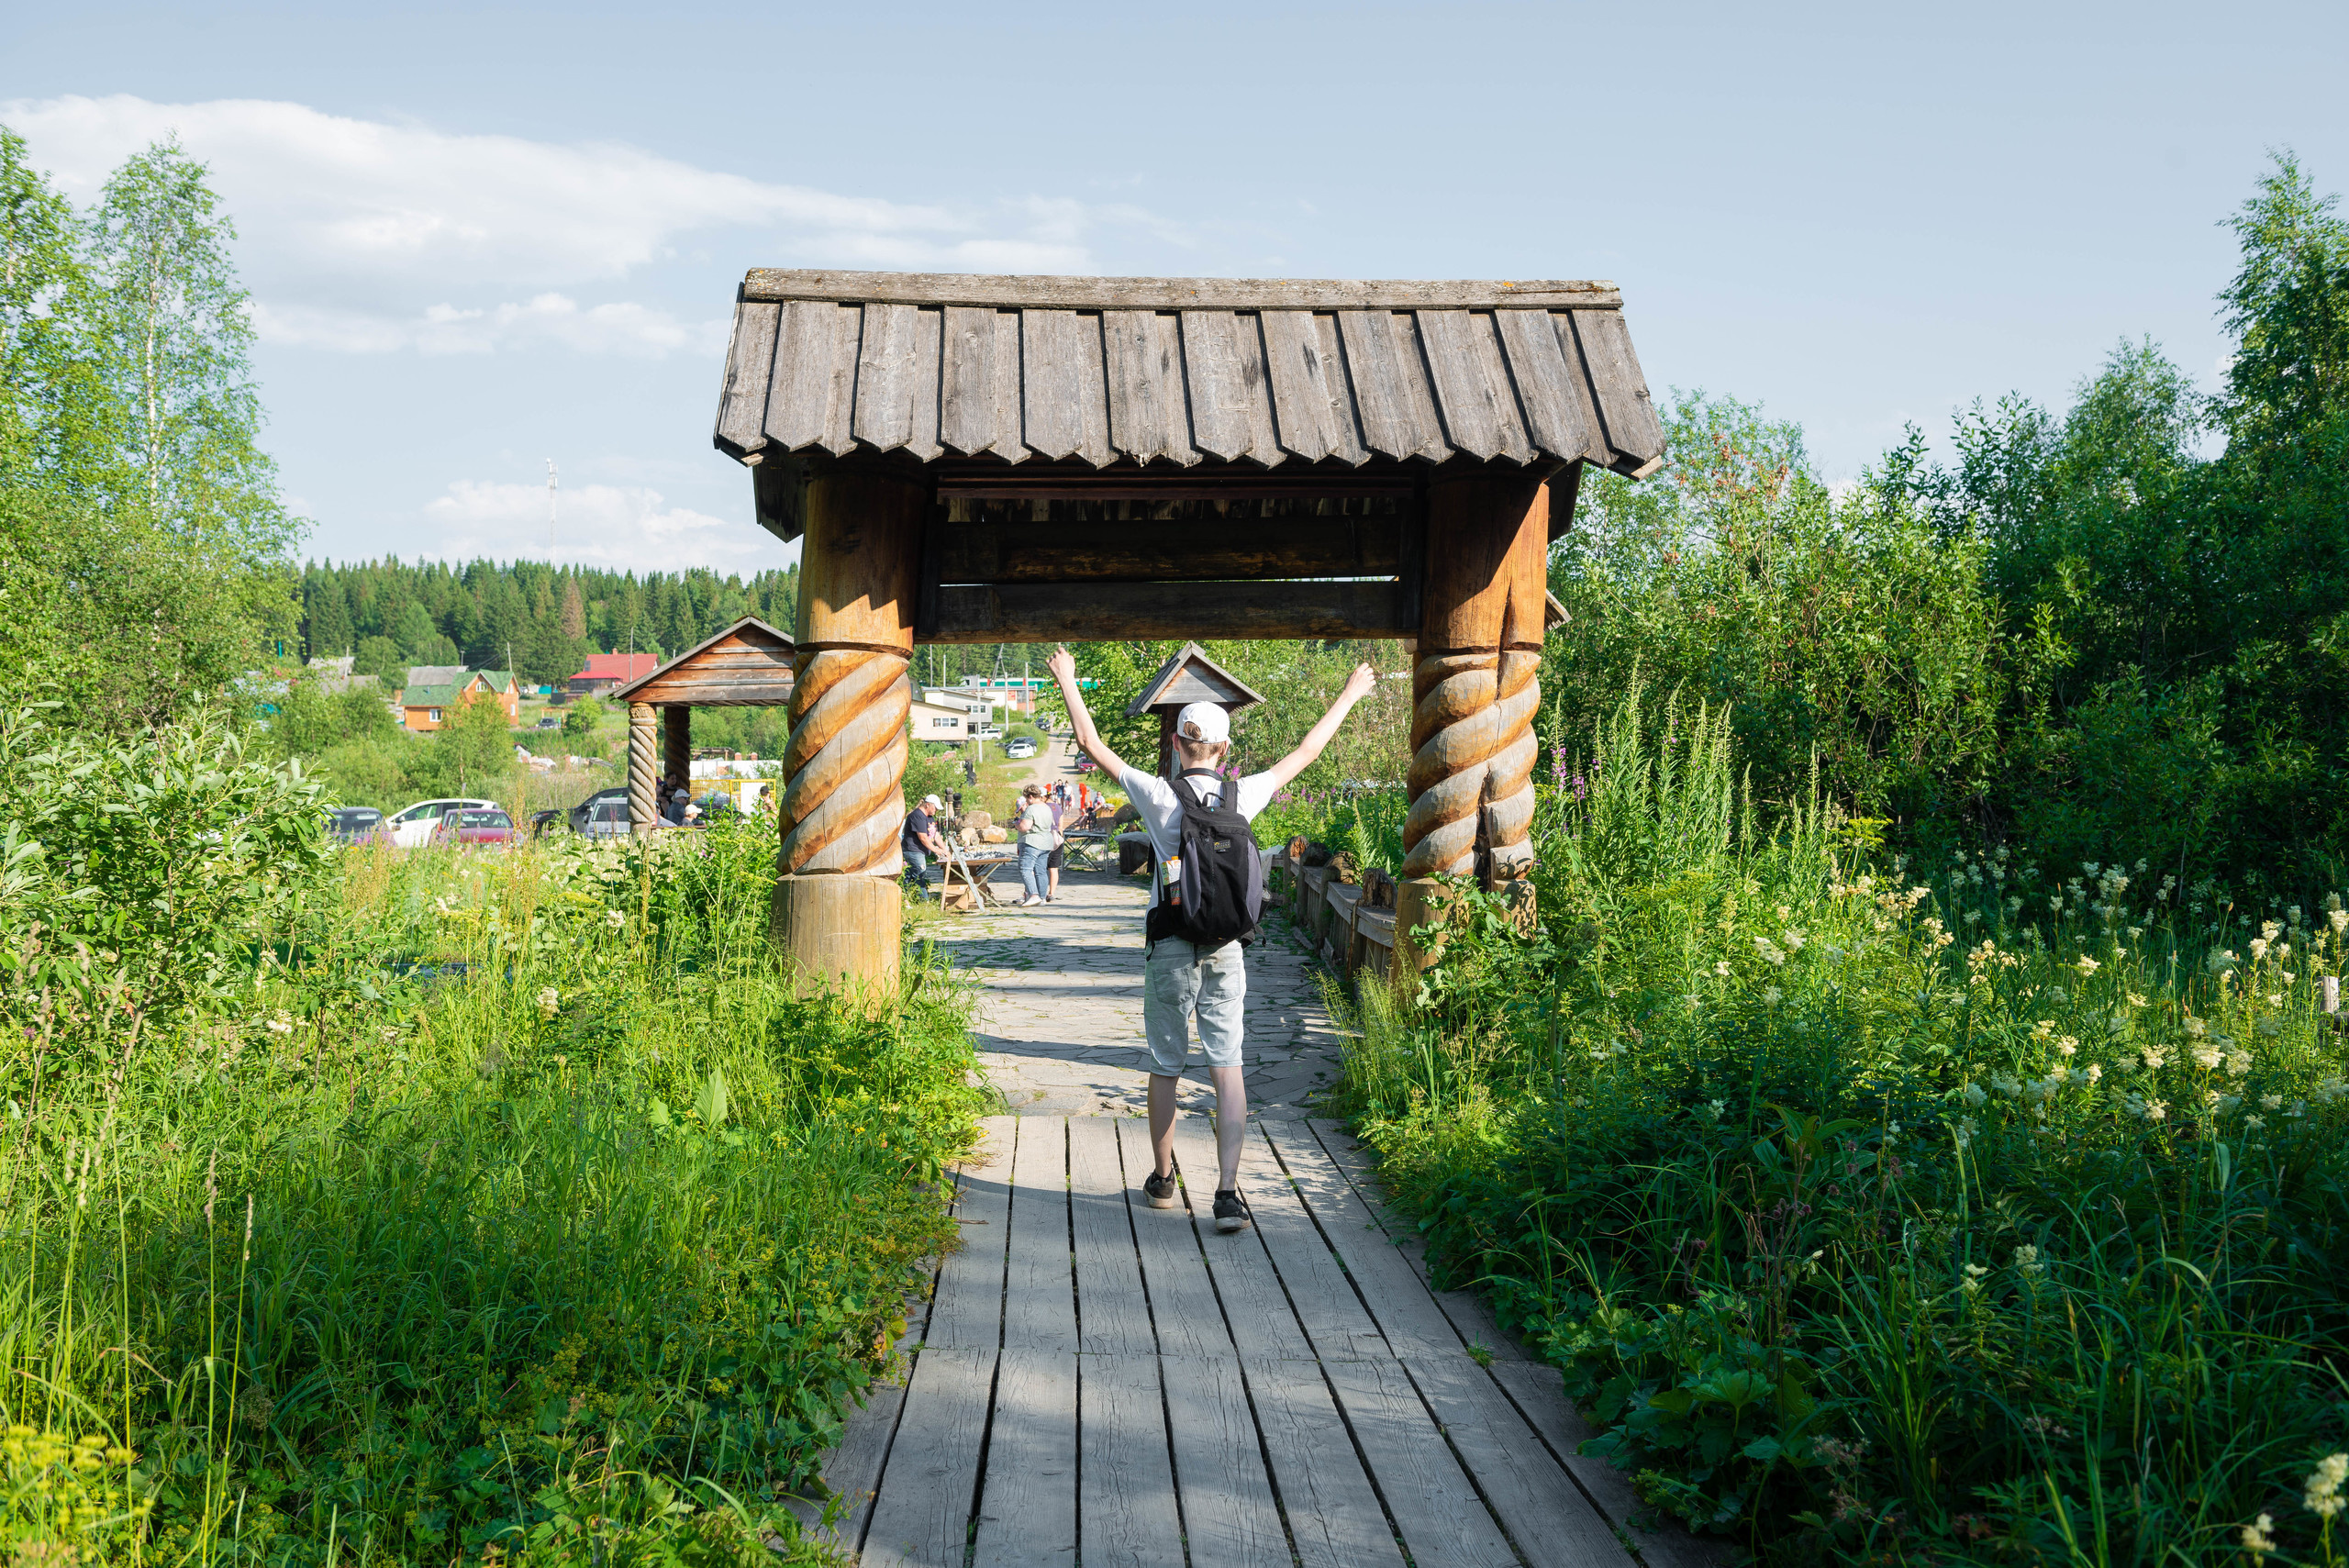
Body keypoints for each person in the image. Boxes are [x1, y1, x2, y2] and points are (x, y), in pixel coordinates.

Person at [1045, 642, 1376, 1231]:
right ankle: (1227, 1193)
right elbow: (1308, 750)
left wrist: (1068, 677)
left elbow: (1093, 746)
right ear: (1224, 751)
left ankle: (1164, 1179)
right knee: (1228, 1066)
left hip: (1170, 943)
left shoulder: (1157, 794)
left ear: (1178, 743)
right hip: (1227, 946)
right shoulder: (1242, 794)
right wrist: (1351, 691)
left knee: (1166, 1063)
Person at [1013, 783, 1056, 906]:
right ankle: (1042, 898)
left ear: (1031, 796)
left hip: (1032, 842)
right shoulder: (1047, 807)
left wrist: (1017, 824)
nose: (1027, 801)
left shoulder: (1032, 808)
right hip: (1046, 842)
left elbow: (1025, 826)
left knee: (1025, 868)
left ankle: (1033, 894)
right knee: (1041, 871)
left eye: (1027, 798)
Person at [902, 793, 948, 895]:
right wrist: (936, 850)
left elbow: (935, 834)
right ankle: (923, 900)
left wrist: (944, 849)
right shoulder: (917, 816)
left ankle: (907, 897)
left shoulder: (930, 817)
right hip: (913, 850)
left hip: (921, 851)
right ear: (928, 805)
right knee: (919, 874)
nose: (936, 810)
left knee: (912, 875)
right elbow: (923, 838)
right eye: (935, 807)